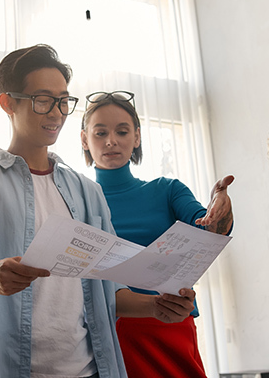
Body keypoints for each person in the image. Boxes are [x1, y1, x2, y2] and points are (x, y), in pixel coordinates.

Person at [0, 44, 197, 378]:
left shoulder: (88, 193)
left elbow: (108, 292)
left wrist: (157, 306)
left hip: (88, 371)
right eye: (43, 100)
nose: (56, 113)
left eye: (63, 101)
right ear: (8, 102)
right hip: (2, 368)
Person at [80, 91, 234, 378]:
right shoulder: (76, 201)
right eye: (100, 133)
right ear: (84, 140)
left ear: (137, 137)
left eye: (122, 131)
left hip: (170, 321)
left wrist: (220, 209)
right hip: (108, 329)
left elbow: (209, 228)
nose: (111, 141)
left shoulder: (167, 189)